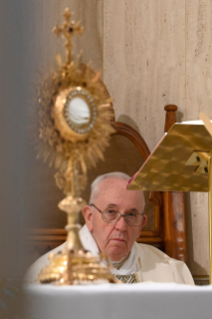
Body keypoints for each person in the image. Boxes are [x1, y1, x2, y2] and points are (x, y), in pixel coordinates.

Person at [25, 172, 194, 285]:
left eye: (131, 215)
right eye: (111, 212)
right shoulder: (45, 277)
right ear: (89, 217)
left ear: (141, 224)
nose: (121, 226)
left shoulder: (172, 273)